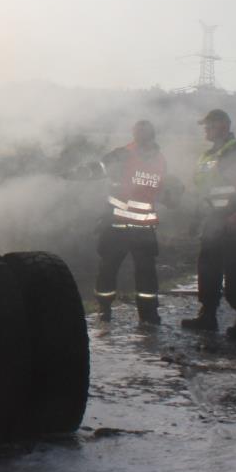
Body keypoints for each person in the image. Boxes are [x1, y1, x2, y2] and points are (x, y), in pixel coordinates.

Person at [90, 120, 174, 326]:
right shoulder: (126, 154)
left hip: (133, 227)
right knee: (110, 269)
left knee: (141, 273)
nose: (139, 136)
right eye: (138, 133)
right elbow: (97, 170)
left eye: (141, 133)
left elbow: (159, 189)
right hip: (122, 225)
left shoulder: (157, 159)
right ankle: (107, 308)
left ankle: (145, 314)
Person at [183, 109, 236, 340]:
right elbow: (204, 189)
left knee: (234, 270)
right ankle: (208, 315)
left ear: (223, 126)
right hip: (212, 220)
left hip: (232, 219)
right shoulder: (208, 155)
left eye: (209, 126)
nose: (205, 130)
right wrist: (197, 217)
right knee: (208, 268)